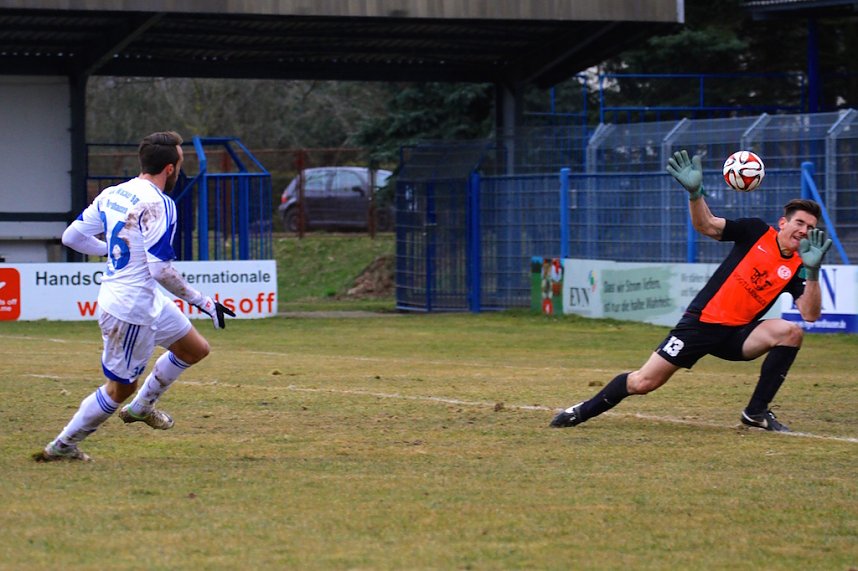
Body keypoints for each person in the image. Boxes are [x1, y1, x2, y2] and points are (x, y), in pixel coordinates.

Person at [550, 150, 832, 433]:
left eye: (810, 227)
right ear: (783, 222)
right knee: (643, 383)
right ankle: (581, 411)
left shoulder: (800, 266)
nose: (804, 231)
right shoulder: (756, 231)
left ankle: (755, 413)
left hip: (738, 335)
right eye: (799, 223)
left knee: (791, 332)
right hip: (701, 324)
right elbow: (706, 225)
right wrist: (695, 193)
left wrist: (813, 271)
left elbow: (810, 314)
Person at [34, 131, 235, 462]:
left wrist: (114, 252)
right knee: (118, 389)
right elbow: (161, 270)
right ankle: (62, 446)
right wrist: (203, 302)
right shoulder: (160, 203)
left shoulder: (115, 193)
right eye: (181, 164)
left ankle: (142, 407)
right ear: (170, 168)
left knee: (194, 348)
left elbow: (72, 237)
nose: (181, 170)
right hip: (131, 309)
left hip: (143, 299)